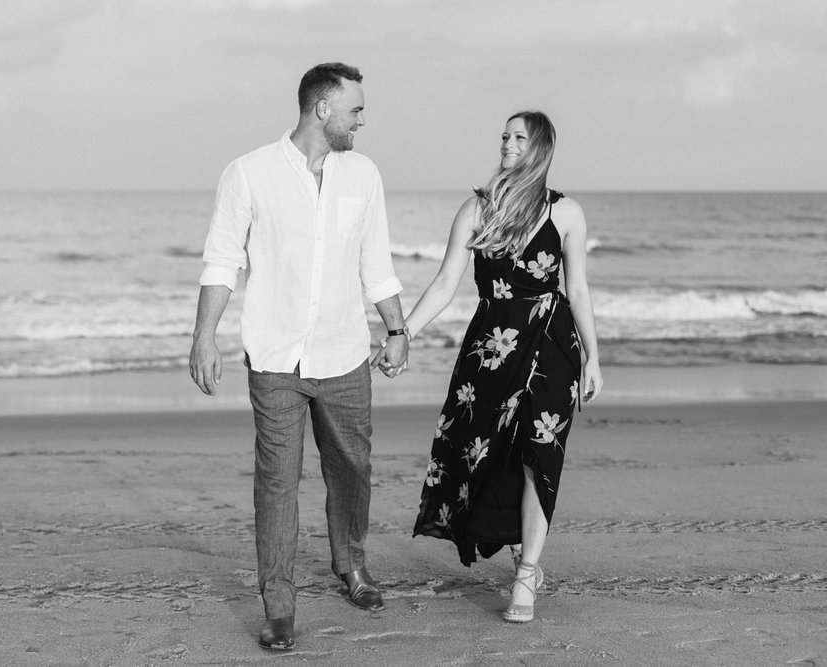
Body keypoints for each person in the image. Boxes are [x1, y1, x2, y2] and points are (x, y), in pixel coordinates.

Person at [189, 62, 409, 651]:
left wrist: (397, 329)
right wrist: (204, 337)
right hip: (276, 357)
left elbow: (376, 263)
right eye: (356, 110)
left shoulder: (362, 175)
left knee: (352, 470)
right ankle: (279, 606)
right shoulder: (249, 173)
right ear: (323, 110)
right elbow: (221, 262)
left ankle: (350, 564)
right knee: (276, 483)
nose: (362, 120)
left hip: (344, 356)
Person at [401, 110, 602, 623]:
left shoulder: (567, 214)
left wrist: (593, 357)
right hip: (491, 349)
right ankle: (516, 546)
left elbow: (576, 290)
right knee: (486, 455)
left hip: (552, 345)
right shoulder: (478, 209)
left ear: (539, 148)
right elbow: (446, 283)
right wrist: (403, 334)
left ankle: (526, 575)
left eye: (518, 138)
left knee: (540, 456)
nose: (507, 144)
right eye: (504, 137)